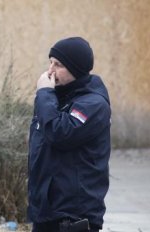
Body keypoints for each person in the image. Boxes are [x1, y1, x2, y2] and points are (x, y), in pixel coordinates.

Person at [28, 37, 111, 232]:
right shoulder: (57, 98)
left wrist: (45, 95)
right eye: (50, 63)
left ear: (76, 69)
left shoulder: (93, 104)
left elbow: (60, 134)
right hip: (47, 214)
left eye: (58, 65)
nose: (50, 71)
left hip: (73, 218)